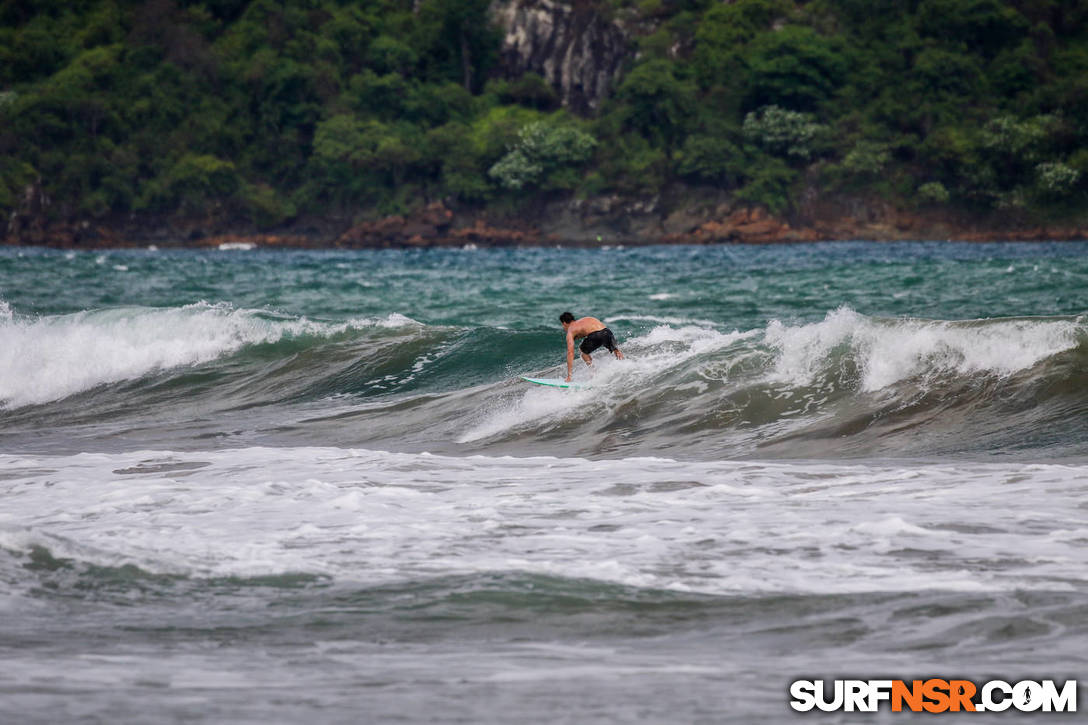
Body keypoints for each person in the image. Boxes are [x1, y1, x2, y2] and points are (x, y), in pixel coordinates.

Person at [559, 311, 623, 382]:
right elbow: (593, 330)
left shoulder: (571, 329)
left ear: (564, 323)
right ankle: (624, 366)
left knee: (583, 352)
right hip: (607, 332)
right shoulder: (585, 319)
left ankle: (594, 374)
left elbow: (570, 352)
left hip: (596, 335)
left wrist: (569, 376)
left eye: (562, 325)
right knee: (617, 351)